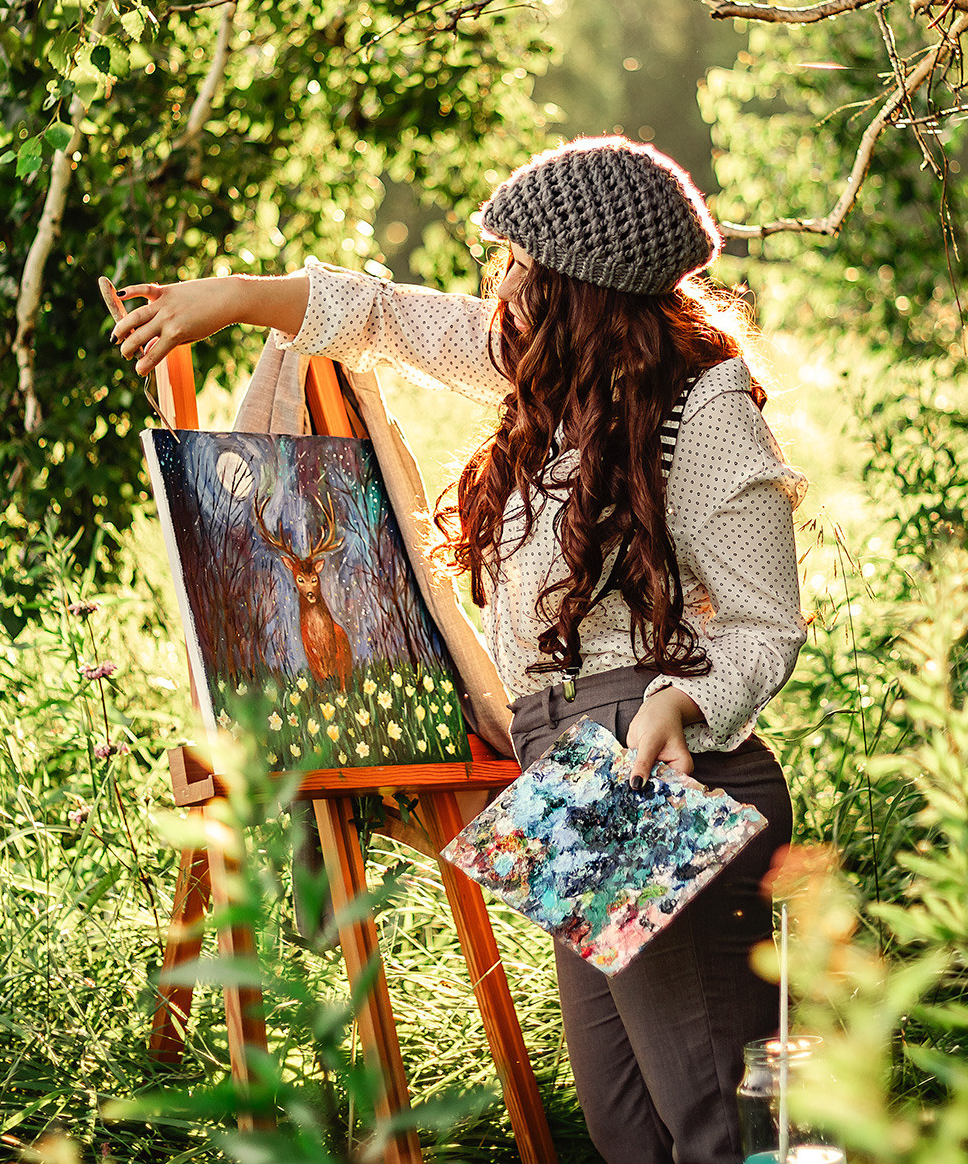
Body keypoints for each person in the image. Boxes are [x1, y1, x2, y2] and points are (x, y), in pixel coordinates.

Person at [113, 135, 807, 1164]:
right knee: (623, 1125)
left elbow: (763, 624)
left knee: (712, 1122)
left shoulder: (702, 409)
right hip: (571, 771)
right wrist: (234, 297)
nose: (503, 284)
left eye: (522, 266)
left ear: (585, 288)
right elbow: (391, 319)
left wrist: (681, 703)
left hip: (664, 771)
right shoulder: (550, 373)